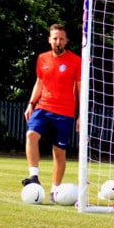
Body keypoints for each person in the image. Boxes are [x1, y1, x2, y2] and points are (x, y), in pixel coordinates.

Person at [22, 24, 81, 199]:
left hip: (65, 113)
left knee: (59, 152)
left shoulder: (76, 61)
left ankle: (55, 190)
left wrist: (81, 115)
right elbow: (39, 83)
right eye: (55, 38)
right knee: (31, 134)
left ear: (66, 41)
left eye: (61, 38)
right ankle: (33, 176)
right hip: (43, 107)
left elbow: (80, 88)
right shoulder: (42, 59)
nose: (58, 41)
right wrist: (31, 104)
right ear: (49, 40)